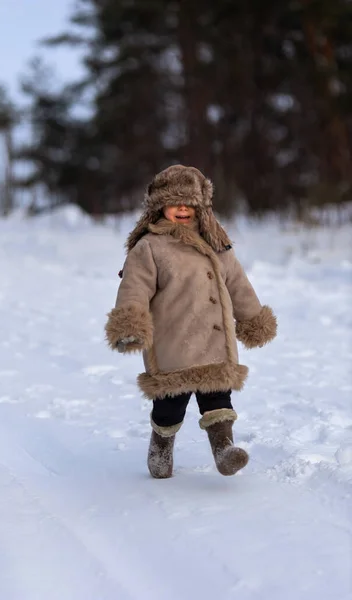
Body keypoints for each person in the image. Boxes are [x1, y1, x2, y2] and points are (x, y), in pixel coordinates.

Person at [105, 164, 277, 479]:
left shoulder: (216, 242)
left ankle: (224, 451)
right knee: (170, 408)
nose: (182, 208)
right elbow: (134, 289)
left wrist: (253, 319)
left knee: (218, 402)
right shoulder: (149, 248)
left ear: (200, 206)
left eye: (189, 202)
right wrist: (130, 323)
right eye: (174, 202)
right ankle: (161, 444)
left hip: (214, 343)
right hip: (173, 343)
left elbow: (238, 284)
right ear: (159, 207)